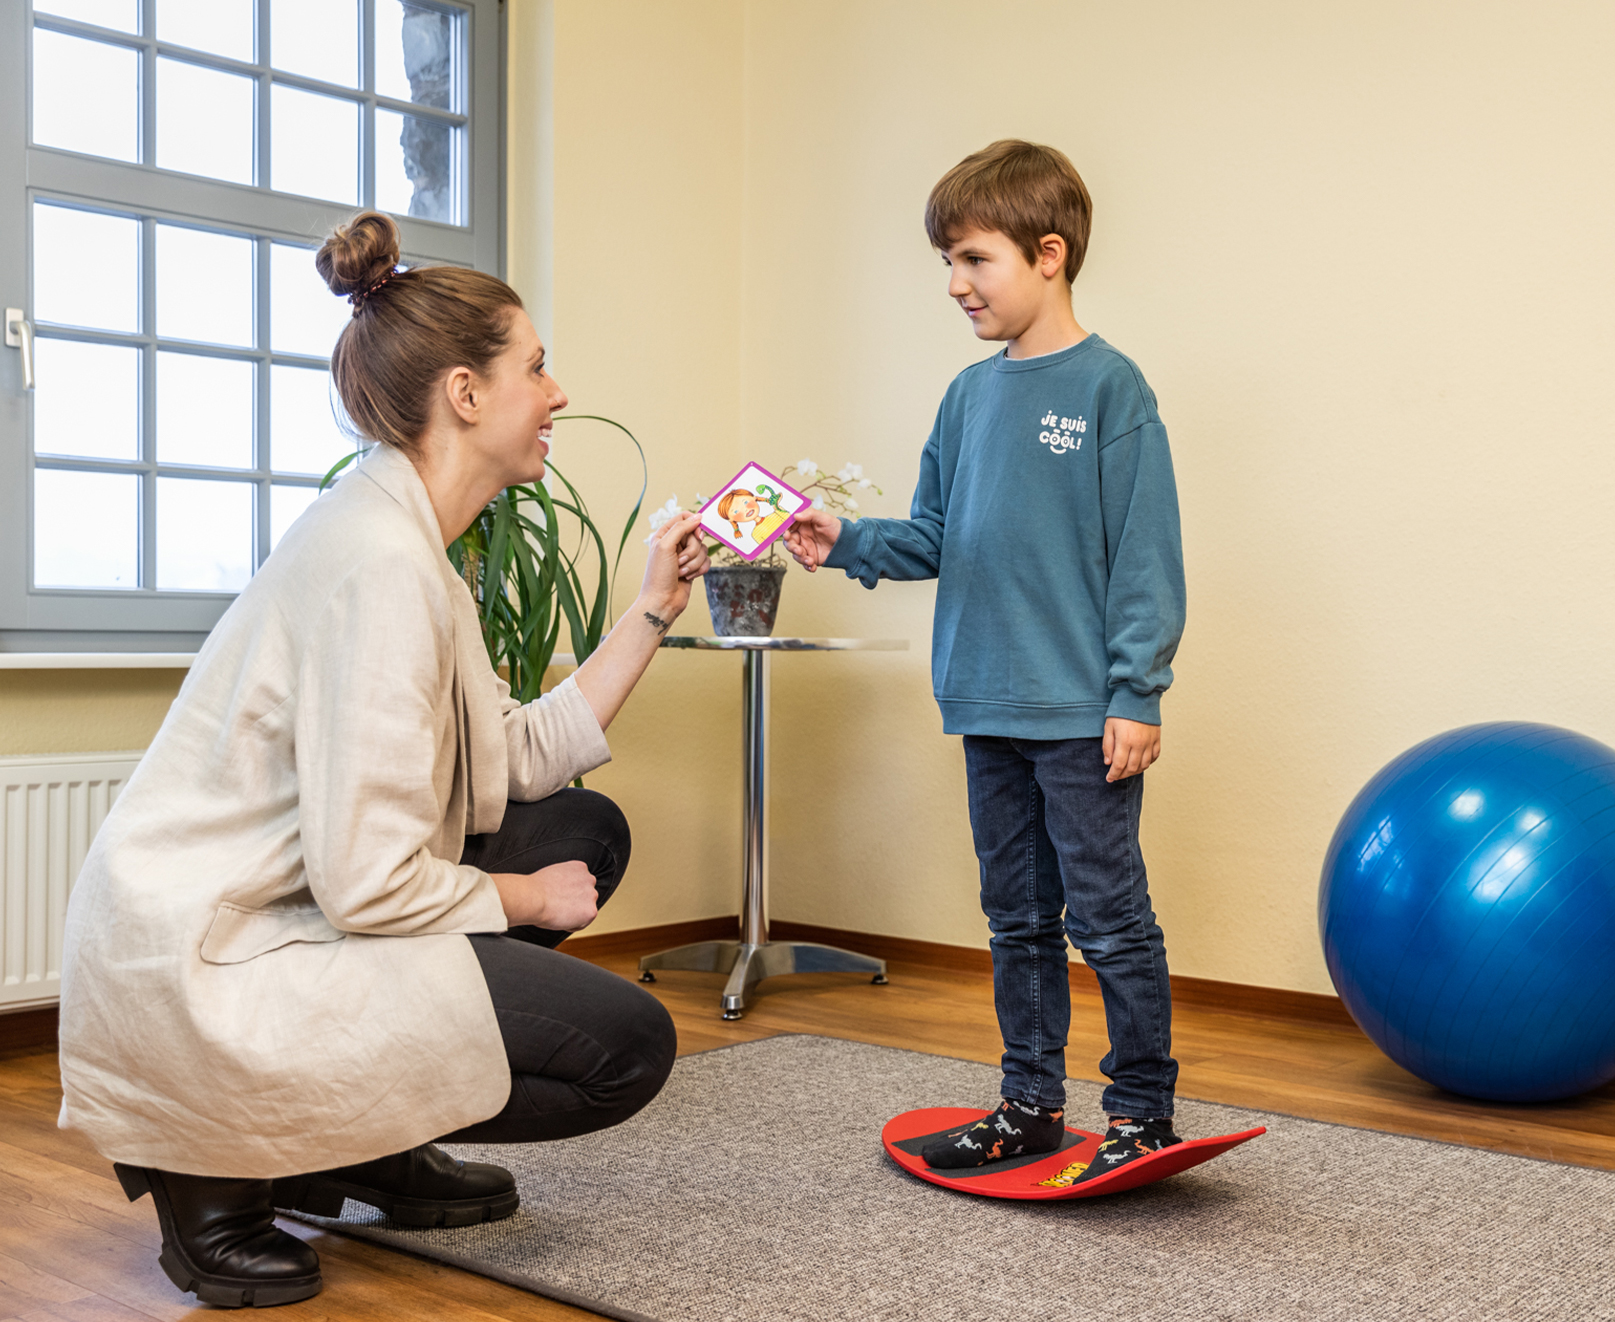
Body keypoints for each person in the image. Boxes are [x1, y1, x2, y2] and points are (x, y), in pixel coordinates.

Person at [56, 211, 709, 1309]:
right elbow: (366, 880)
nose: (555, 392)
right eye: (534, 366)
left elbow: (518, 753)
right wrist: (515, 892)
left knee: (584, 829)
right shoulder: (378, 566)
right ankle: (216, 1164)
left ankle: (346, 1141)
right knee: (623, 1045)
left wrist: (650, 607)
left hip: (299, 900)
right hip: (214, 949)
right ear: (465, 391)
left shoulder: (410, 543)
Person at [784, 140, 1187, 1183]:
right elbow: (933, 532)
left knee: (1108, 917)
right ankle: (1028, 1103)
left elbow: (1144, 558)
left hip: (1080, 711)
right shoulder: (966, 397)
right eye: (947, 264)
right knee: (1015, 917)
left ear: (1047, 253)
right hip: (982, 701)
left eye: (973, 260)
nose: (955, 285)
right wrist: (847, 540)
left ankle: (1142, 1109)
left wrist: (1134, 691)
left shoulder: (1110, 389)